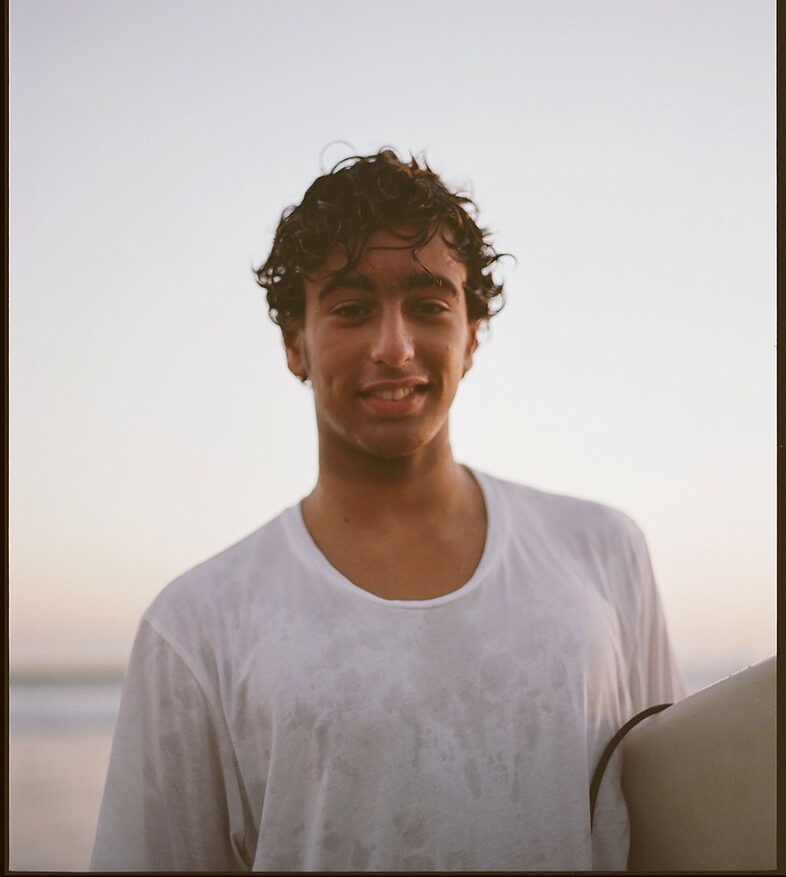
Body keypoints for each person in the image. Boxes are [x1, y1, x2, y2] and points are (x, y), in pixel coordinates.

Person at [90, 149, 685, 872]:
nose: (395, 348)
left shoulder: (602, 551)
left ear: (470, 336)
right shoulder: (197, 624)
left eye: (430, 306)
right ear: (295, 343)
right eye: (350, 309)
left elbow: (680, 827)